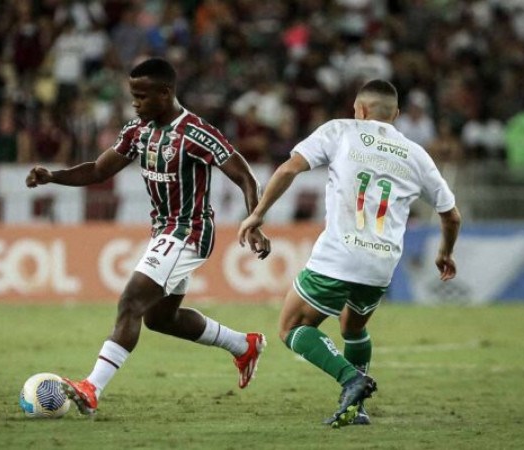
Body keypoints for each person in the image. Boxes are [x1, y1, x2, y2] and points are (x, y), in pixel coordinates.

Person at [25, 57, 271, 416]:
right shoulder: (138, 131)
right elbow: (97, 170)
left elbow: (245, 176)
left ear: (165, 92)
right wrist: (53, 176)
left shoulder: (196, 133)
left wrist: (255, 221)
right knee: (159, 319)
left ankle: (92, 387)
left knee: (131, 301)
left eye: (141, 96)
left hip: (189, 231)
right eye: (132, 96)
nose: (135, 103)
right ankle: (243, 345)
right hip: (164, 232)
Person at [238, 80, 461, 428]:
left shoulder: (341, 130)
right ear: (396, 115)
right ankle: (358, 409)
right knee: (352, 327)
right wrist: (445, 253)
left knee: (291, 327)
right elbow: (451, 214)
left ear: (359, 110)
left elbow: (288, 169)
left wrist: (257, 215)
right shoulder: (416, 154)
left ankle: (351, 380)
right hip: (382, 264)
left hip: (339, 254)